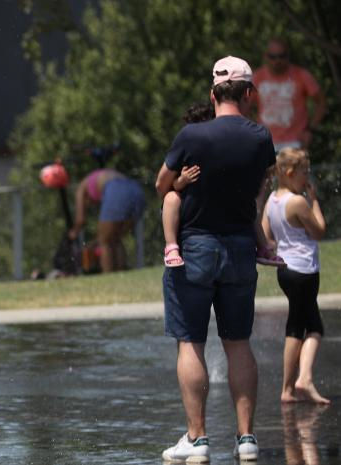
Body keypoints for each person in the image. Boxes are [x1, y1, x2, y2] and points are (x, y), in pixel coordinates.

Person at [156, 56, 275, 463]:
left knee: (191, 341)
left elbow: (162, 185)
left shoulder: (192, 135)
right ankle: (246, 438)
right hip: (241, 247)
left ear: (212, 94)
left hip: (195, 248)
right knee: (238, 343)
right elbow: (261, 187)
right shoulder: (260, 137)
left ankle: (198, 439)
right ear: (248, 93)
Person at [161, 102, 284, 268]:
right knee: (170, 198)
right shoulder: (189, 146)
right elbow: (169, 184)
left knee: (248, 205)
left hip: (221, 214)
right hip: (190, 209)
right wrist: (182, 180)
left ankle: (263, 248)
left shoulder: (216, 147)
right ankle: (171, 247)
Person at [261, 148, 328, 404]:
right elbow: (319, 231)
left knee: (298, 325)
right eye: (304, 172)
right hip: (304, 270)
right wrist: (315, 201)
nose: (307, 178)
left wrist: (281, 245)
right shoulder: (298, 202)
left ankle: (288, 389)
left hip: (285, 271)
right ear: (289, 173)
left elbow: (266, 237)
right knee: (312, 328)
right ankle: (303, 379)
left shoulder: (272, 201)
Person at [252, 38, 326, 151]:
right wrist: (251, 131)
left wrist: (310, 130)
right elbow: (243, 105)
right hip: (266, 143)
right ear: (266, 56)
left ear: (288, 56)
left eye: (281, 56)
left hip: (295, 143)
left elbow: (321, 102)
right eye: (273, 57)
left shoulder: (301, 75)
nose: (277, 61)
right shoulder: (257, 77)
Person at [67, 168, 145, 272]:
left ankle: (108, 274)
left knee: (104, 242)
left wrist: (73, 232)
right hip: (136, 191)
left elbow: (81, 219)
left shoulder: (80, 189)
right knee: (116, 239)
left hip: (116, 190)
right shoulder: (101, 177)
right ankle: (122, 272)